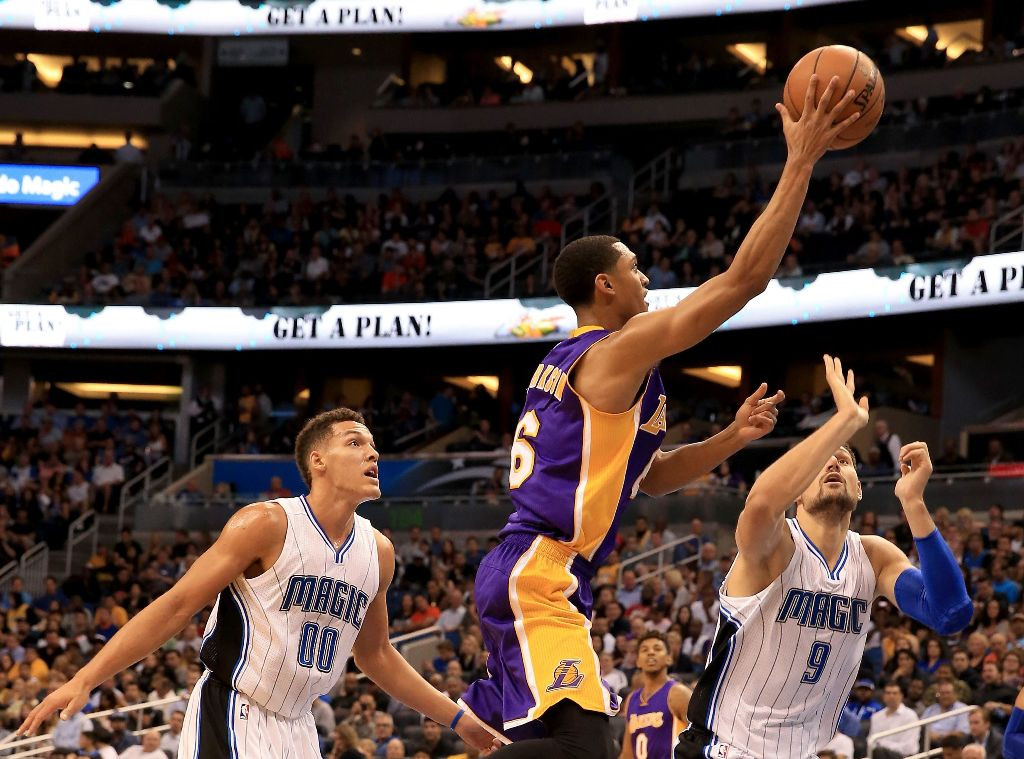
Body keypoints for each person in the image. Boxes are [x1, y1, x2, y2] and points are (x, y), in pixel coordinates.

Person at [461, 72, 857, 759]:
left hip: (537, 567)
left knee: (563, 744)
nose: (648, 280)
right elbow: (742, 282)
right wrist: (801, 162)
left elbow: (655, 476)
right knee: (586, 745)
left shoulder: (605, 375)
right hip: (540, 566)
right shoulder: (613, 352)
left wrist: (731, 437)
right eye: (637, 269)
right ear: (604, 285)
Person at [17, 409, 494, 758]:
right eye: (353, 442)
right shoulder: (265, 524)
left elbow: (376, 656)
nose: (372, 453)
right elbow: (177, 604)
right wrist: (85, 679)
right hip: (233, 707)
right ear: (317, 460)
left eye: (372, 446)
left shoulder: (380, 553)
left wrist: (457, 719)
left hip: (300, 724)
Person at [676, 356, 971, 759]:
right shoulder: (776, 544)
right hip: (728, 747)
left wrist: (914, 503)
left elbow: (950, 613)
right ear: (796, 490)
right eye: (822, 460)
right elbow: (761, 504)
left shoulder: (873, 556)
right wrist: (844, 420)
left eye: (845, 460)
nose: (834, 461)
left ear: (861, 489)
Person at [619, 632, 691, 759]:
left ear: (669, 658)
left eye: (657, 649)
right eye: (644, 649)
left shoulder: (678, 693)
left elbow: (701, 739)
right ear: (638, 662)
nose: (650, 652)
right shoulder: (632, 699)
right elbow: (627, 754)